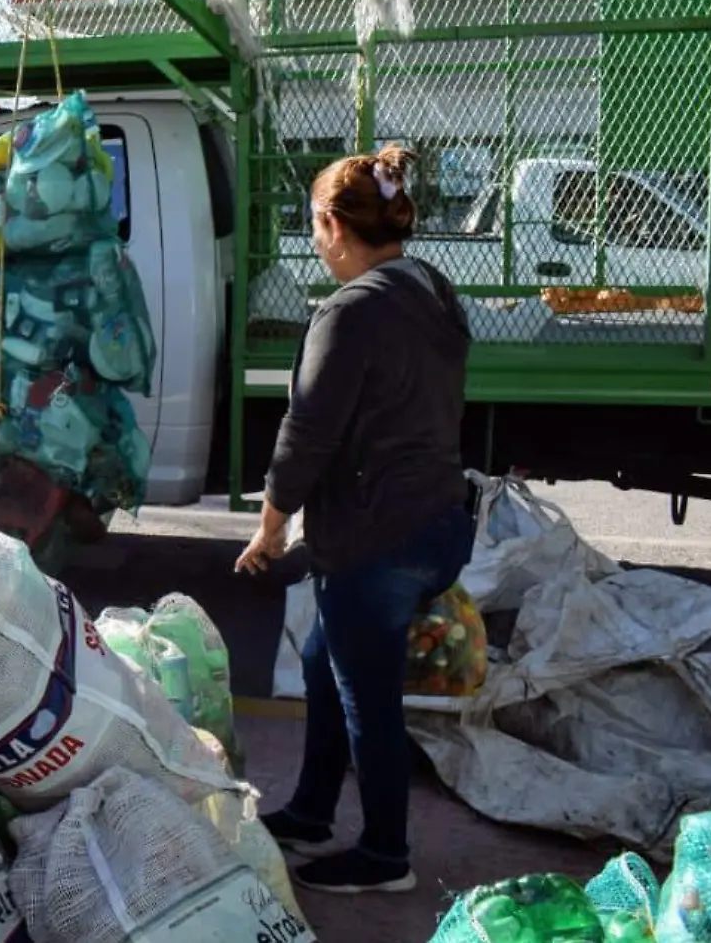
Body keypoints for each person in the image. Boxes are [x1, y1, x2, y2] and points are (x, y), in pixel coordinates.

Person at [235, 144, 475, 895]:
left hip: (378, 538)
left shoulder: (351, 310)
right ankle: (310, 811)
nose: (313, 238)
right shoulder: (431, 288)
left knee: (365, 694)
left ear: (336, 225)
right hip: (438, 523)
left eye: (313, 224)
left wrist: (271, 527)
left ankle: (385, 856)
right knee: (321, 661)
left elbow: (306, 434)